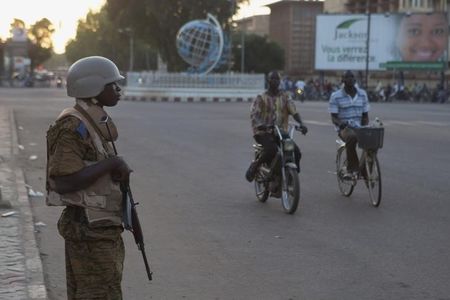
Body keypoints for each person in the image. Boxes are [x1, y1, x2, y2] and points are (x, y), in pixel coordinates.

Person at [46, 56, 131, 299]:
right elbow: (62, 181)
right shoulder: (73, 127)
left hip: (101, 228)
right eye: (112, 85)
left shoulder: (93, 120)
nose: (118, 90)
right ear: (93, 88)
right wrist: (112, 163)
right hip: (89, 232)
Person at [245, 70, 308, 182]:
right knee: (272, 149)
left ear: (280, 81)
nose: (275, 81)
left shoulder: (285, 96)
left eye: (277, 79)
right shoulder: (261, 97)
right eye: (272, 79)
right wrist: (261, 125)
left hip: (280, 132)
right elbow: (255, 115)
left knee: (296, 152)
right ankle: (255, 165)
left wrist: (301, 123)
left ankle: (292, 177)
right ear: (268, 81)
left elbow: (294, 111)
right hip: (263, 132)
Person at [328, 70, 370, 179]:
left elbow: (365, 115)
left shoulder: (362, 94)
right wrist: (340, 123)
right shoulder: (335, 96)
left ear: (355, 80)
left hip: (359, 127)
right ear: (343, 80)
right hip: (344, 128)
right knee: (351, 137)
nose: (350, 79)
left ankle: (364, 169)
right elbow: (334, 117)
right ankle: (352, 169)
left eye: (352, 77)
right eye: (347, 77)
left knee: (372, 140)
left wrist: (365, 127)